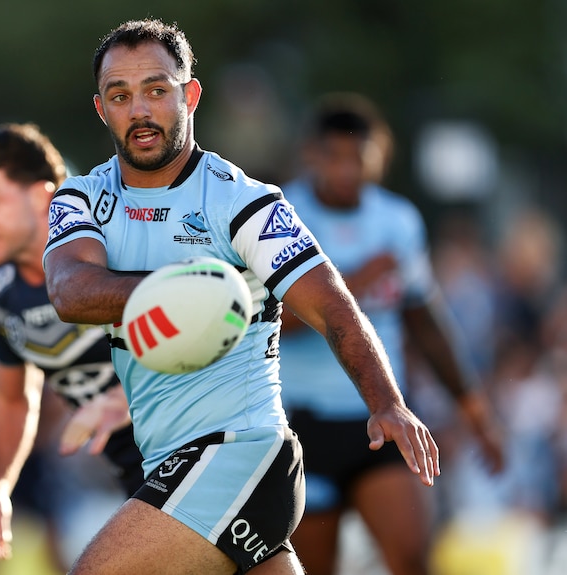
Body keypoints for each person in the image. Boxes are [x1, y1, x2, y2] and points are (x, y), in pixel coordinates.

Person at [42, 19, 440, 575]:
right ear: (101, 108)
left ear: (190, 94)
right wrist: (180, 295)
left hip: (239, 454)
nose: (139, 111)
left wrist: (386, 402)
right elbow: (69, 291)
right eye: (120, 95)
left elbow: (332, 307)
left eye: (156, 90)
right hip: (169, 461)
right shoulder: (80, 198)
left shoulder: (245, 203)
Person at [277, 93, 505, 575]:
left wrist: (476, 412)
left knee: (413, 557)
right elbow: (273, 324)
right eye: (333, 157)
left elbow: (425, 322)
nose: (345, 170)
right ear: (312, 154)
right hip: (302, 426)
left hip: (381, 417)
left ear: (379, 157)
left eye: (357, 158)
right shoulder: (281, 215)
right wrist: (354, 281)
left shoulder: (397, 221)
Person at [0, 122, 144, 561]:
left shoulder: (120, 243)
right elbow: (12, 400)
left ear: (42, 196)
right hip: (138, 472)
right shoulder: (1, 294)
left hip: (203, 453)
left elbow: (215, 323)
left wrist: (130, 397)